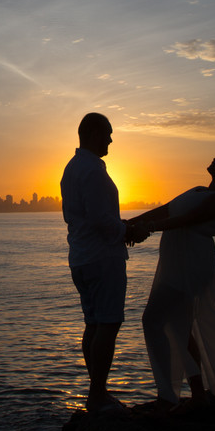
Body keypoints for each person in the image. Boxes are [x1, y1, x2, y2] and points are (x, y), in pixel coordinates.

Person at [127, 150, 215, 408]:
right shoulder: (197, 190)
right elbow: (166, 210)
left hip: (190, 264)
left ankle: (167, 397)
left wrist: (147, 228)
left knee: (153, 320)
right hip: (175, 264)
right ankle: (196, 394)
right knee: (178, 327)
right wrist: (129, 223)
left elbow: (186, 220)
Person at [61, 112, 138, 412]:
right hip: (102, 258)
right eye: (108, 133)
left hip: (81, 257)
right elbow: (99, 219)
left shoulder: (72, 168)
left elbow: (83, 216)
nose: (111, 139)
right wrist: (125, 231)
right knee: (108, 323)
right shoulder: (92, 170)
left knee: (93, 323)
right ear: (93, 133)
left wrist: (119, 228)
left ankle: (98, 393)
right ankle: (97, 395)